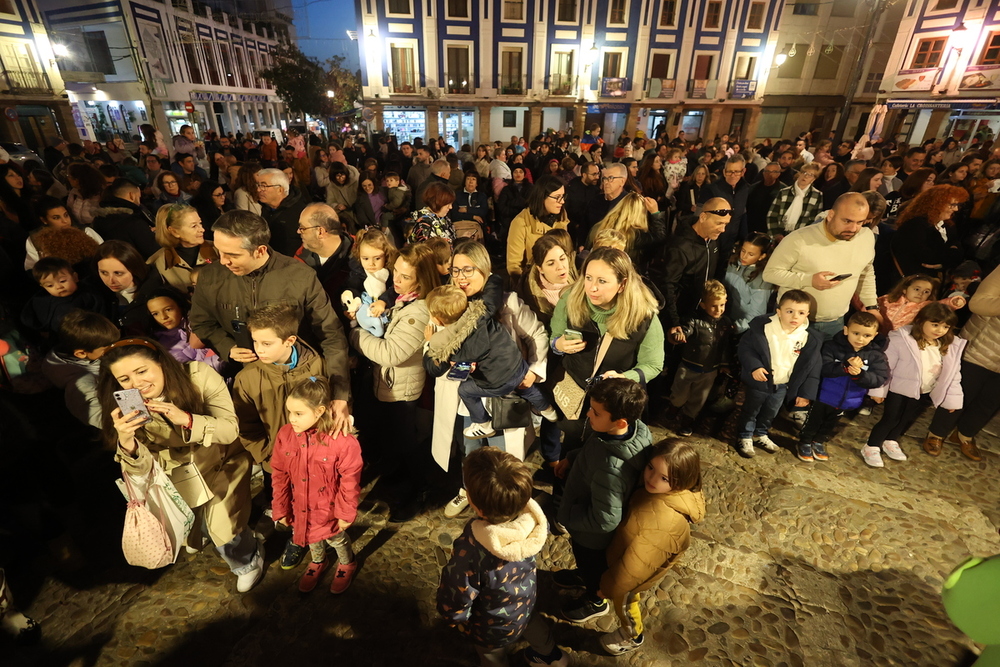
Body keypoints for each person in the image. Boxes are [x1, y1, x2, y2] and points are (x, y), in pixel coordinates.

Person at [101, 337, 262, 594]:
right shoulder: (124, 405)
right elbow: (141, 471)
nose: (137, 384)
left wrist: (187, 420)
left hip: (222, 459)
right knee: (199, 530)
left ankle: (247, 560)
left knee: (222, 523)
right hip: (177, 476)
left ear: (162, 363)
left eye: (142, 371)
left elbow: (229, 429)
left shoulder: (197, 376)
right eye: (125, 379)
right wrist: (127, 442)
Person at [188, 210, 352, 431]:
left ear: (260, 250)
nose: (223, 261)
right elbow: (202, 323)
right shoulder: (211, 277)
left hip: (304, 383)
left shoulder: (299, 276)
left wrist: (340, 394)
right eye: (219, 251)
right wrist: (227, 347)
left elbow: (331, 335)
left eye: (232, 255)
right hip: (253, 384)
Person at [437, 447, 568, 667]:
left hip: (491, 625)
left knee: (491, 656)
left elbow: (456, 595)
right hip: (525, 604)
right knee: (533, 625)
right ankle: (552, 657)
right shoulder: (531, 524)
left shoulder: (471, 550)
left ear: (475, 505)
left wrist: (454, 619)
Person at [350, 242, 438, 522]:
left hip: (403, 389)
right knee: (395, 441)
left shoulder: (420, 310)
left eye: (405, 276)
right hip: (390, 385)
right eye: (395, 272)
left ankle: (418, 493)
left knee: (408, 443)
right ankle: (398, 481)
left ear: (421, 280)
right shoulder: (404, 299)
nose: (396, 281)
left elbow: (391, 353)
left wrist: (354, 335)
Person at [554, 377, 652, 622]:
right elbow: (596, 447)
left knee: (592, 567)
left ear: (619, 421)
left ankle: (595, 600)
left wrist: (569, 516)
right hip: (588, 521)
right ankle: (584, 576)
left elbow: (606, 519)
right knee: (588, 566)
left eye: (596, 412)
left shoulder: (611, 469)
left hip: (591, 538)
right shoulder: (628, 430)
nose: (588, 414)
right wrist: (575, 456)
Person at [598, 439, 705, 656]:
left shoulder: (664, 525)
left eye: (664, 478)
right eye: (650, 468)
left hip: (630, 581)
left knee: (627, 605)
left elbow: (633, 569)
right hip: (625, 553)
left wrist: (607, 589)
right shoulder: (663, 493)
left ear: (682, 481)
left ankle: (632, 635)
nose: (652, 479)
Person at [424, 284, 558, 439]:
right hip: (517, 364)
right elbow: (495, 286)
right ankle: (547, 409)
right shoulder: (483, 313)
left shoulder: (454, 345)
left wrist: (431, 342)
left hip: (497, 383)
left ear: (437, 319)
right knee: (526, 388)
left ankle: (483, 423)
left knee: (465, 390)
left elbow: (440, 367)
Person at [270, 376, 362, 593]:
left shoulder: (342, 442)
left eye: (299, 413)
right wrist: (281, 507)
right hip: (301, 507)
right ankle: (318, 561)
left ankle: (347, 562)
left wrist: (345, 513)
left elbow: (350, 481)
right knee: (311, 539)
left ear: (319, 411)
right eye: (290, 412)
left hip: (328, 509)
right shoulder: (285, 435)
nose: (291, 419)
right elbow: (279, 474)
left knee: (336, 539)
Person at [763, 192, 880, 339]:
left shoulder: (866, 237)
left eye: (860, 222)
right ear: (831, 215)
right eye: (847, 221)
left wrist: (871, 306)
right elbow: (770, 273)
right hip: (794, 322)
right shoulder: (798, 239)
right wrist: (808, 280)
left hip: (836, 322)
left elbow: (865, 272)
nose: (853, 228)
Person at [863, 303, 965, 467]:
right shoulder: (903, 340)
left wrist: (951, 401)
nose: (939, 330)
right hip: (898, 388)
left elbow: (953, 376)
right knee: (891, 418)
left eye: (945, 326)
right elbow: (886, 366)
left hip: (922, 391)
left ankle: (891, 440)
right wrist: (879, 391)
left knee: (905, 419)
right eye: (935, 324)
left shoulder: (948, 347)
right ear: (921, 321)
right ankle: (872, 445)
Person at [735, 289, 822, 458]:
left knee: (771, 411)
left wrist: (805, 393)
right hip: (761, 381)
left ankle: (760, 433)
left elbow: (812, 368)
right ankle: (745, 435)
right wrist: (755, 366)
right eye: (790, 311)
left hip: (783, 384)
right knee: (751, 409)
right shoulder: (764, 328)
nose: (795, 317)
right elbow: (746, 348)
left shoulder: (808, 339)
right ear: (779, 311)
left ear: (807, 315)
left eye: (801, 313)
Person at [796, 311, 888, 462]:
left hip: (849, 399)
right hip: (824, 395)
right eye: (856, 333)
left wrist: (860, 375)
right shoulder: (832, 347)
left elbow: (879, 378)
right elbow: (824, 367)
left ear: (874, 335)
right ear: (846, 330)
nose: (860, 339)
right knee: (814, 420)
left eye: (867, 336)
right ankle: (805, 441)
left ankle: (818, 441)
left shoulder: (875, 356)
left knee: (831, 423)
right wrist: (844, 366)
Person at [667, 280, 735, 436]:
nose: (718, 310)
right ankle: (674, 405)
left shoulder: (725, 323)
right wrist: (680, 335)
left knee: (699, 398)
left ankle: (688, 419)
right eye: (713, 306)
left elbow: (725, 346)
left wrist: (724, 363)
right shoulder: (694, 319)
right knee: (679, 394)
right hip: (688, 366)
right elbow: (685, 330)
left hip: (709, 370)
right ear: (703, 305)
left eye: (722, 305)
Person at [661, 199, 729, 340]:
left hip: (702, 314)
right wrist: (674, 321)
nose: (723, 229)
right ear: (703, 217)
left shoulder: (713, 239)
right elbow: (668, 285)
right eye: (719, 223)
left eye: (725, 224)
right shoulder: (680, 246)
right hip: (680, 317)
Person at [41, 308, 118, 429]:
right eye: (106, 349)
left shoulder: (85, 353)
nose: (114, 350)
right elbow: (101, 419)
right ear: (81, 354)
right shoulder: (81, 384)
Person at [890, 184, 967, 282]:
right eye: (952, 205)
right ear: (936, 204)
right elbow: (927, 257)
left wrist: (944, 261)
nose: (956, 209)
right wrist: (951, 253)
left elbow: (960, 252)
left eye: (957, 205)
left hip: (931, 281)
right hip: (913, 281)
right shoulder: (916, 224)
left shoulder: (949, 225)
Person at [20, 257, 106, 337]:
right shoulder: (43, 302)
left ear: (75, 277)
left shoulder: (89, 292)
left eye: (62, 281)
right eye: (50, 285)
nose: (58, 287)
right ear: (43, 287)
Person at [586, 191, 667, 275]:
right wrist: (655, 213)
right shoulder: (635, 236)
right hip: (626, 278)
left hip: (596, 273)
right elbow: (659, 237)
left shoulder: (599, 227)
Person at [506, 175, 569, 282]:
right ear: (542, 197)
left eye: (563, 196)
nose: (562, 201)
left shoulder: (561, 217)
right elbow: (514, 265)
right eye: (557, 197)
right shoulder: (520, 223)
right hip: (533, 282)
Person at [147, 204, 218, 295]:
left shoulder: (219, 250)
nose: (202, 229)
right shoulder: (157, 263)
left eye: (200, 223)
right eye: (194, 226)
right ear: (174, 231)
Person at [146, 288, 220, 370]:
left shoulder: (202, 323)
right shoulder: (159, 345)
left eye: (168, 309)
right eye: (155, 314)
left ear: (179, 306)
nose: (163, 317)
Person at [24, 198, 104, 271]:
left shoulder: (85, 232)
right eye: (56, 218)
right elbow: (32, 269)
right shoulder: (35, 240)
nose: (65, 221)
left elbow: (104, 254)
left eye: (66, 215)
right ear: (44, 220)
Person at [722, 233, 774, 333]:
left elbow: (757, 314)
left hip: (741, 328)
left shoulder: (762, 279)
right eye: (743, 251)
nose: (744, 256)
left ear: (762, 256)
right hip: (723, 317)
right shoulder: (734, 263)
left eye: (751, 254)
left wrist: (735, 327)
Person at [256, 168, 307, 257]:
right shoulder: (266, 208)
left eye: (264, 186)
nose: (259, 190)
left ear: (280, 190)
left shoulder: (300, 211)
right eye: (258, 185)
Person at [765, 163, 823, 239]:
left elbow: (815, 220)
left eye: (810, 175)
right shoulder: (784, 192)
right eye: (804, 172)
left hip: (800, 236)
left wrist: (802, 237)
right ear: (799, 173)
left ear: (814, 179)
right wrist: (776, 235)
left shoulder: (817, 195)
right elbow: (772, 215)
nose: (806, 176)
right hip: (780, 233)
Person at [746, 162, 784, 234]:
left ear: (778, 174)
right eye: (767, 171)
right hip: (752, 226)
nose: (769, 174)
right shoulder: (754, 187)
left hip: (770, 228)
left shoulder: (782, 191)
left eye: (774, 172)